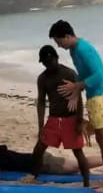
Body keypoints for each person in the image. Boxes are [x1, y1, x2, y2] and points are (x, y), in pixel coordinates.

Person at [48, 19, 103, 190]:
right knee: (100, 140)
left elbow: (99, 75)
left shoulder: (83, 49)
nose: (58, 46)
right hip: (93, 96)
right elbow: (83, 74)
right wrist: (75, 91)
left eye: (59, 41)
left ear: (67, 36)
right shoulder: (74, 51)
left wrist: (77, 85)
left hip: (101, 95)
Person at [33, 45, 90, 185]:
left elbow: (79, 99)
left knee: (78, 152)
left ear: (56, 58)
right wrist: (40, 126)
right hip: (53, 119)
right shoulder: (42, 78)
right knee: (38, 150)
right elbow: (41, 102)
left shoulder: (69, 73)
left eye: (50, 61)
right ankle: (34, 178)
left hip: (71, 119)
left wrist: (79, 121)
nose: (48, 65)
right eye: (45, 63)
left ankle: (86, 183)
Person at [0, 143, 101, 177]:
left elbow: (2, 149)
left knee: (76, 166)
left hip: (40, 162)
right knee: (74, 169)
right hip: (38, 164)